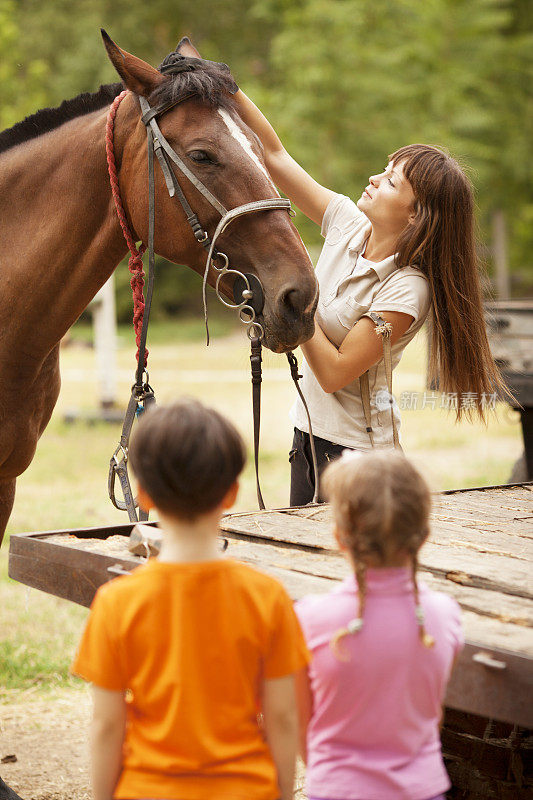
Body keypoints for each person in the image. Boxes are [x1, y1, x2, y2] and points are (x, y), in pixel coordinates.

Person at [232, 91, 509, 505]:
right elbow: (274, 155)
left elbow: (335, 373)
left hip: (360, 457)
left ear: (414, 213)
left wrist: (289, 302)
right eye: (384, 170)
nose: (375, 179)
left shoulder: (408, 288)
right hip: (305, 436)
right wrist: (226, 86)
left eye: (391, 181)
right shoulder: (348, 223)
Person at [71, 398, 309, 800]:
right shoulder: (267, 597)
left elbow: (107, 725)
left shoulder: (116, 603)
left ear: (143, 494)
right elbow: (284, 717)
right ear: (232, 493)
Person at [294, 449, 464, 800]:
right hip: (424, 790)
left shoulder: (310, 619)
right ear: (423, 535)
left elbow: (299, 723)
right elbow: (432, 712)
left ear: (340, 538)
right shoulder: (445, 615)